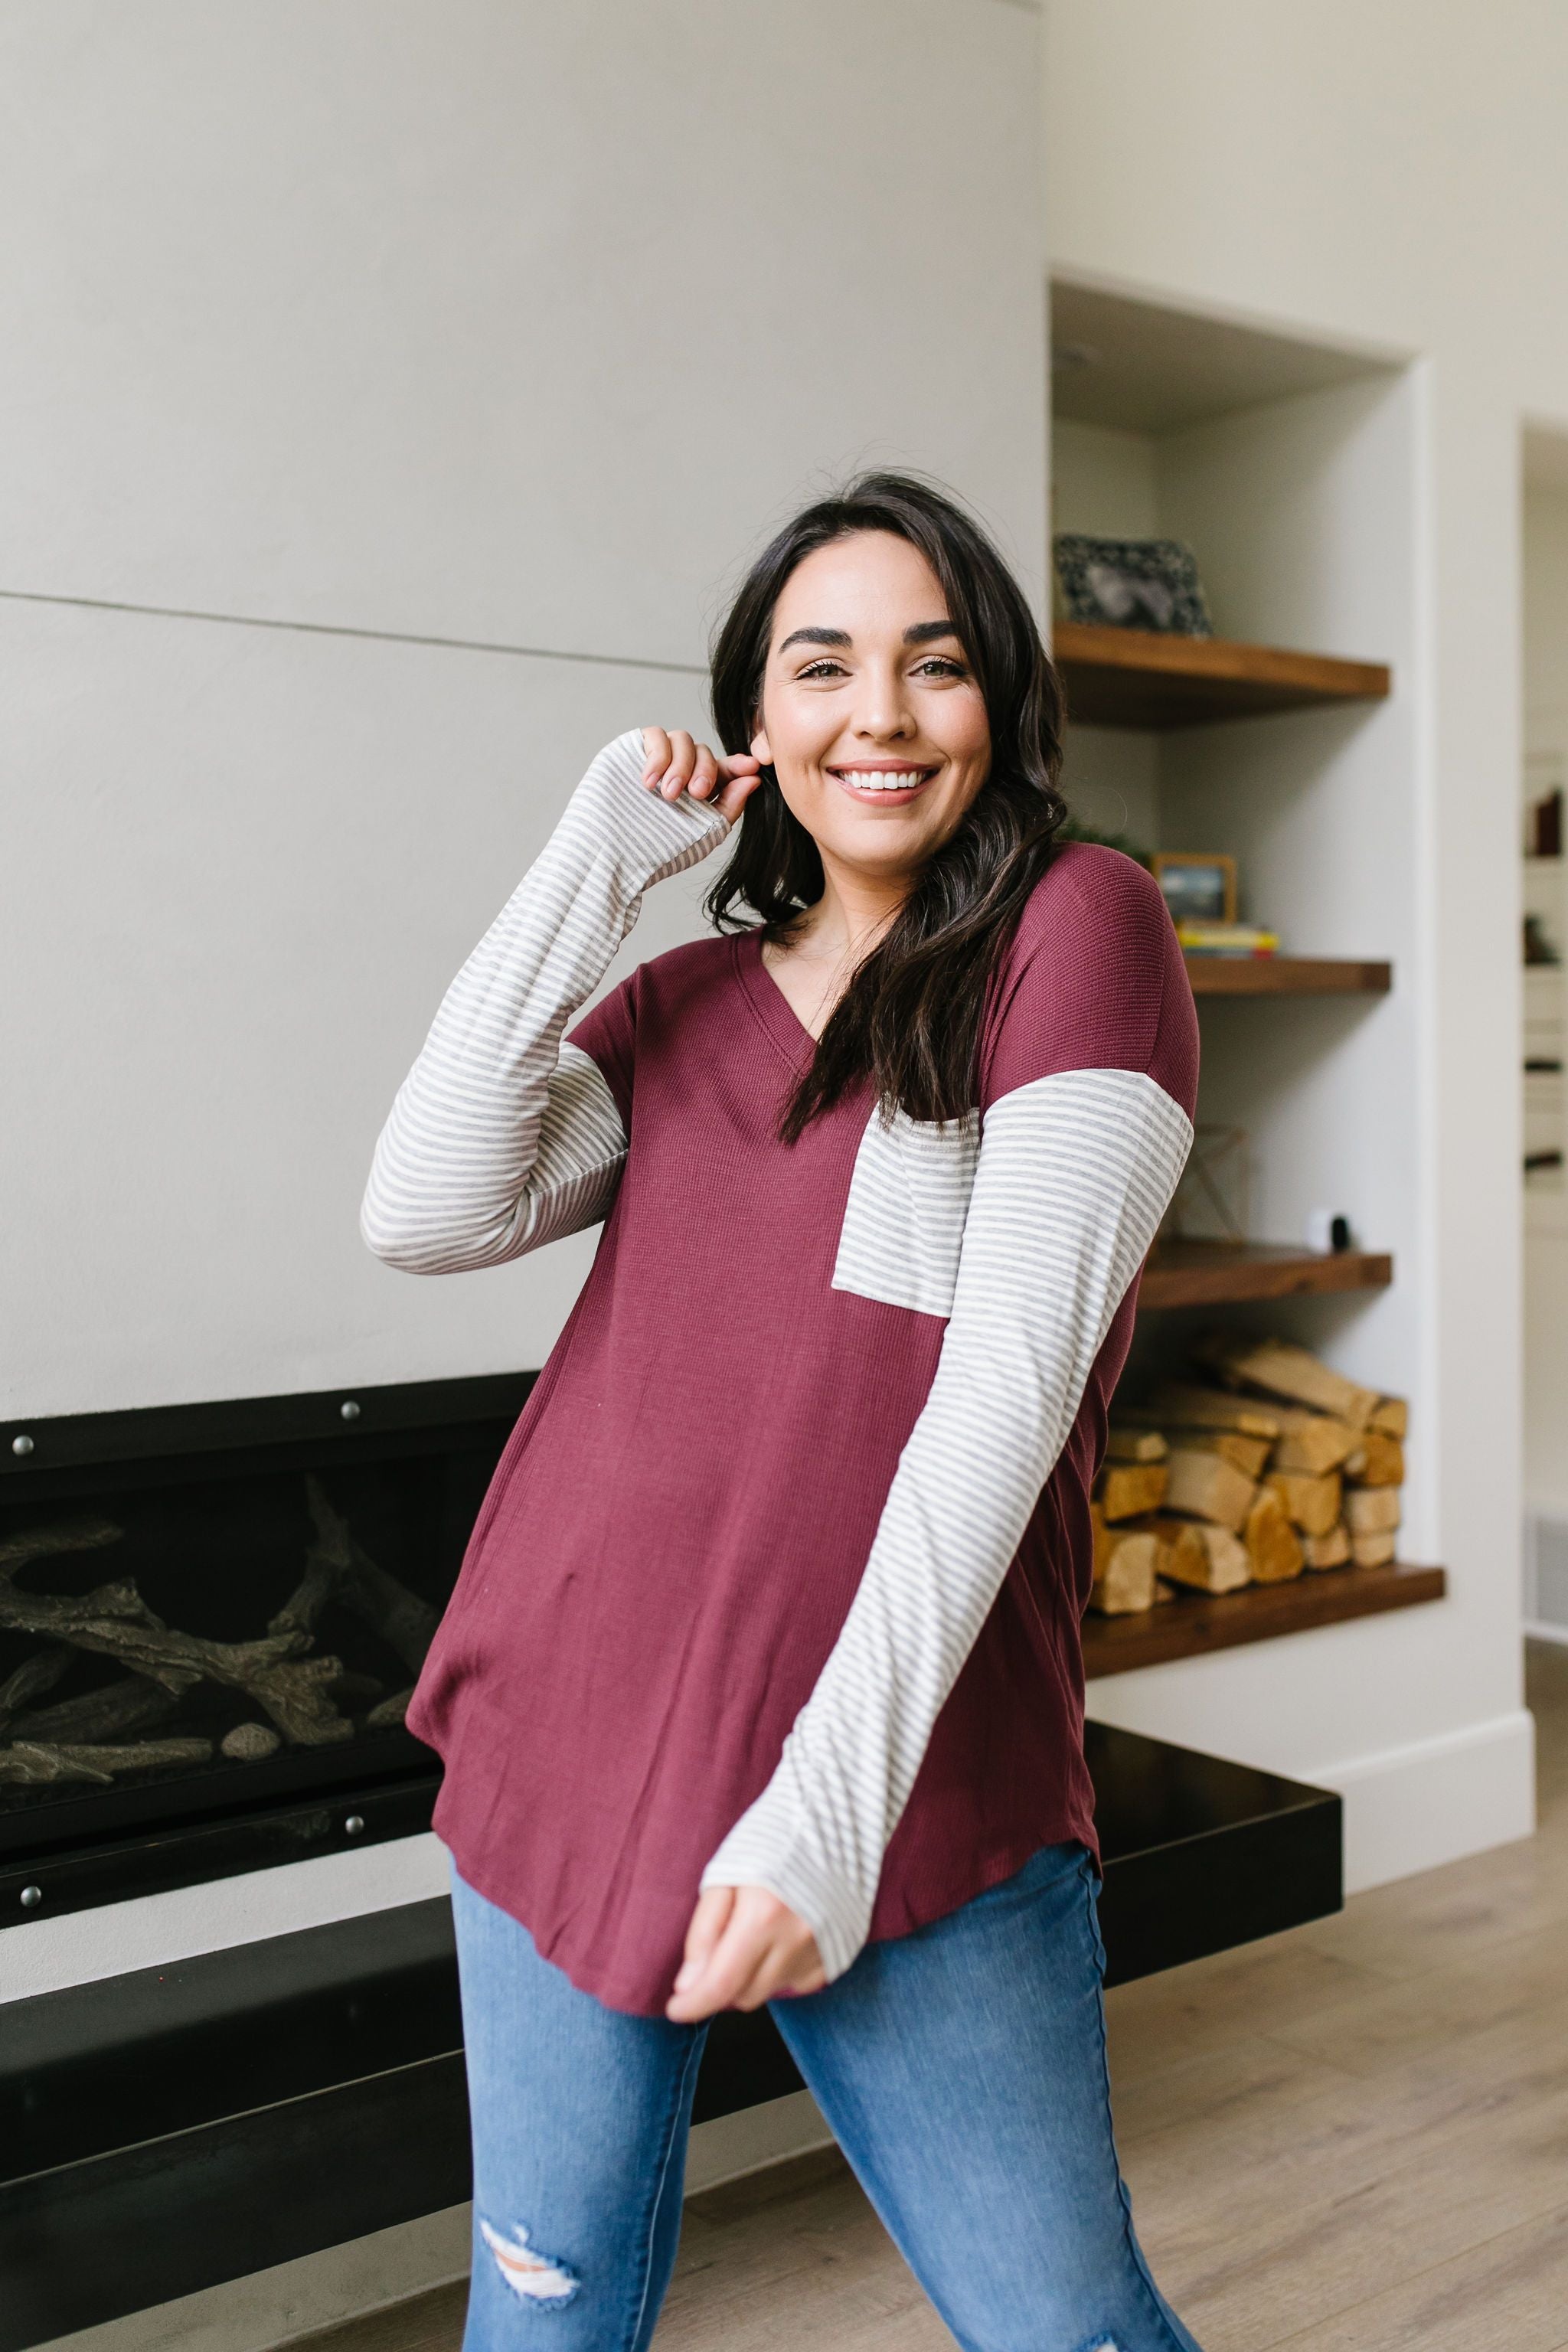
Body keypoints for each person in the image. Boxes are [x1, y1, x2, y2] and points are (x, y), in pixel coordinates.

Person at [361, 472, 1202, 2352]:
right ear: (757, 720)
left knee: (1063, 2331)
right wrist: (592, 859)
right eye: (821, 668)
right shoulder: (684, 999)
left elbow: (1002, 1390)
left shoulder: (1081, 931)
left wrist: (823, 1811)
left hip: (914, 1785)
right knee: (547, 2322)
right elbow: (419, 1211)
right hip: (564, 1741)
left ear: (1002, 700)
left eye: (934, 665)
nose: (880, 717)